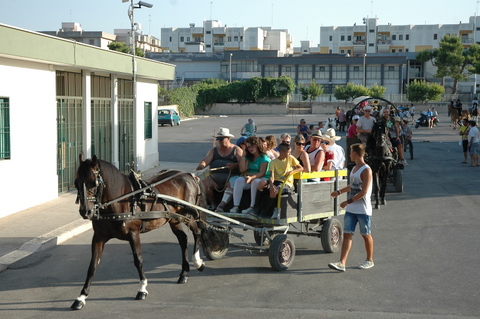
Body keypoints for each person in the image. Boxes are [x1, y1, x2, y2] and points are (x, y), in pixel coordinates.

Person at [328, 143, 374, 272]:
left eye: (350, 152)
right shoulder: (354, 168)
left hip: (363, 209)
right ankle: (342, 263)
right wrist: (339, 192)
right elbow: (352, 186)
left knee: (366, 234)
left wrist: (347, 201)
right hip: (351, 209)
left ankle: (369, 260)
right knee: (347, 234)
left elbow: (364, 191)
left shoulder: (366, 170)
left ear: (355, 153)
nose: (349, 154)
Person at [196, 128, 243, 210]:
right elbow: (206, 160)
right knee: (204, 183)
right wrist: (202, 165)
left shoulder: (236, 150)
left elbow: (243, 164)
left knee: (232, 183)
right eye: (218, 139)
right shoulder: (214, 151)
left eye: (221, 138)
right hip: (214, 180)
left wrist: (235, 166)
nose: (219, 140)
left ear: (228, 138)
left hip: (231, 177)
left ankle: (222, 205)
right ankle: (213, 204)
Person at [230, 136, 271, 214]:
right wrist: (244, 155)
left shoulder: (264, 158)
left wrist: (251, 177)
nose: (250, 148)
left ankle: (252, 207)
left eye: (252, 146)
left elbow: (262, 173)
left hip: (263, 178)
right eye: (248, 147)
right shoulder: (249, 157)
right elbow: (242, 170)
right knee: (239, 180)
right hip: (250, 177)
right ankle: (235, 206)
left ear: (258, 145)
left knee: (255, 181)